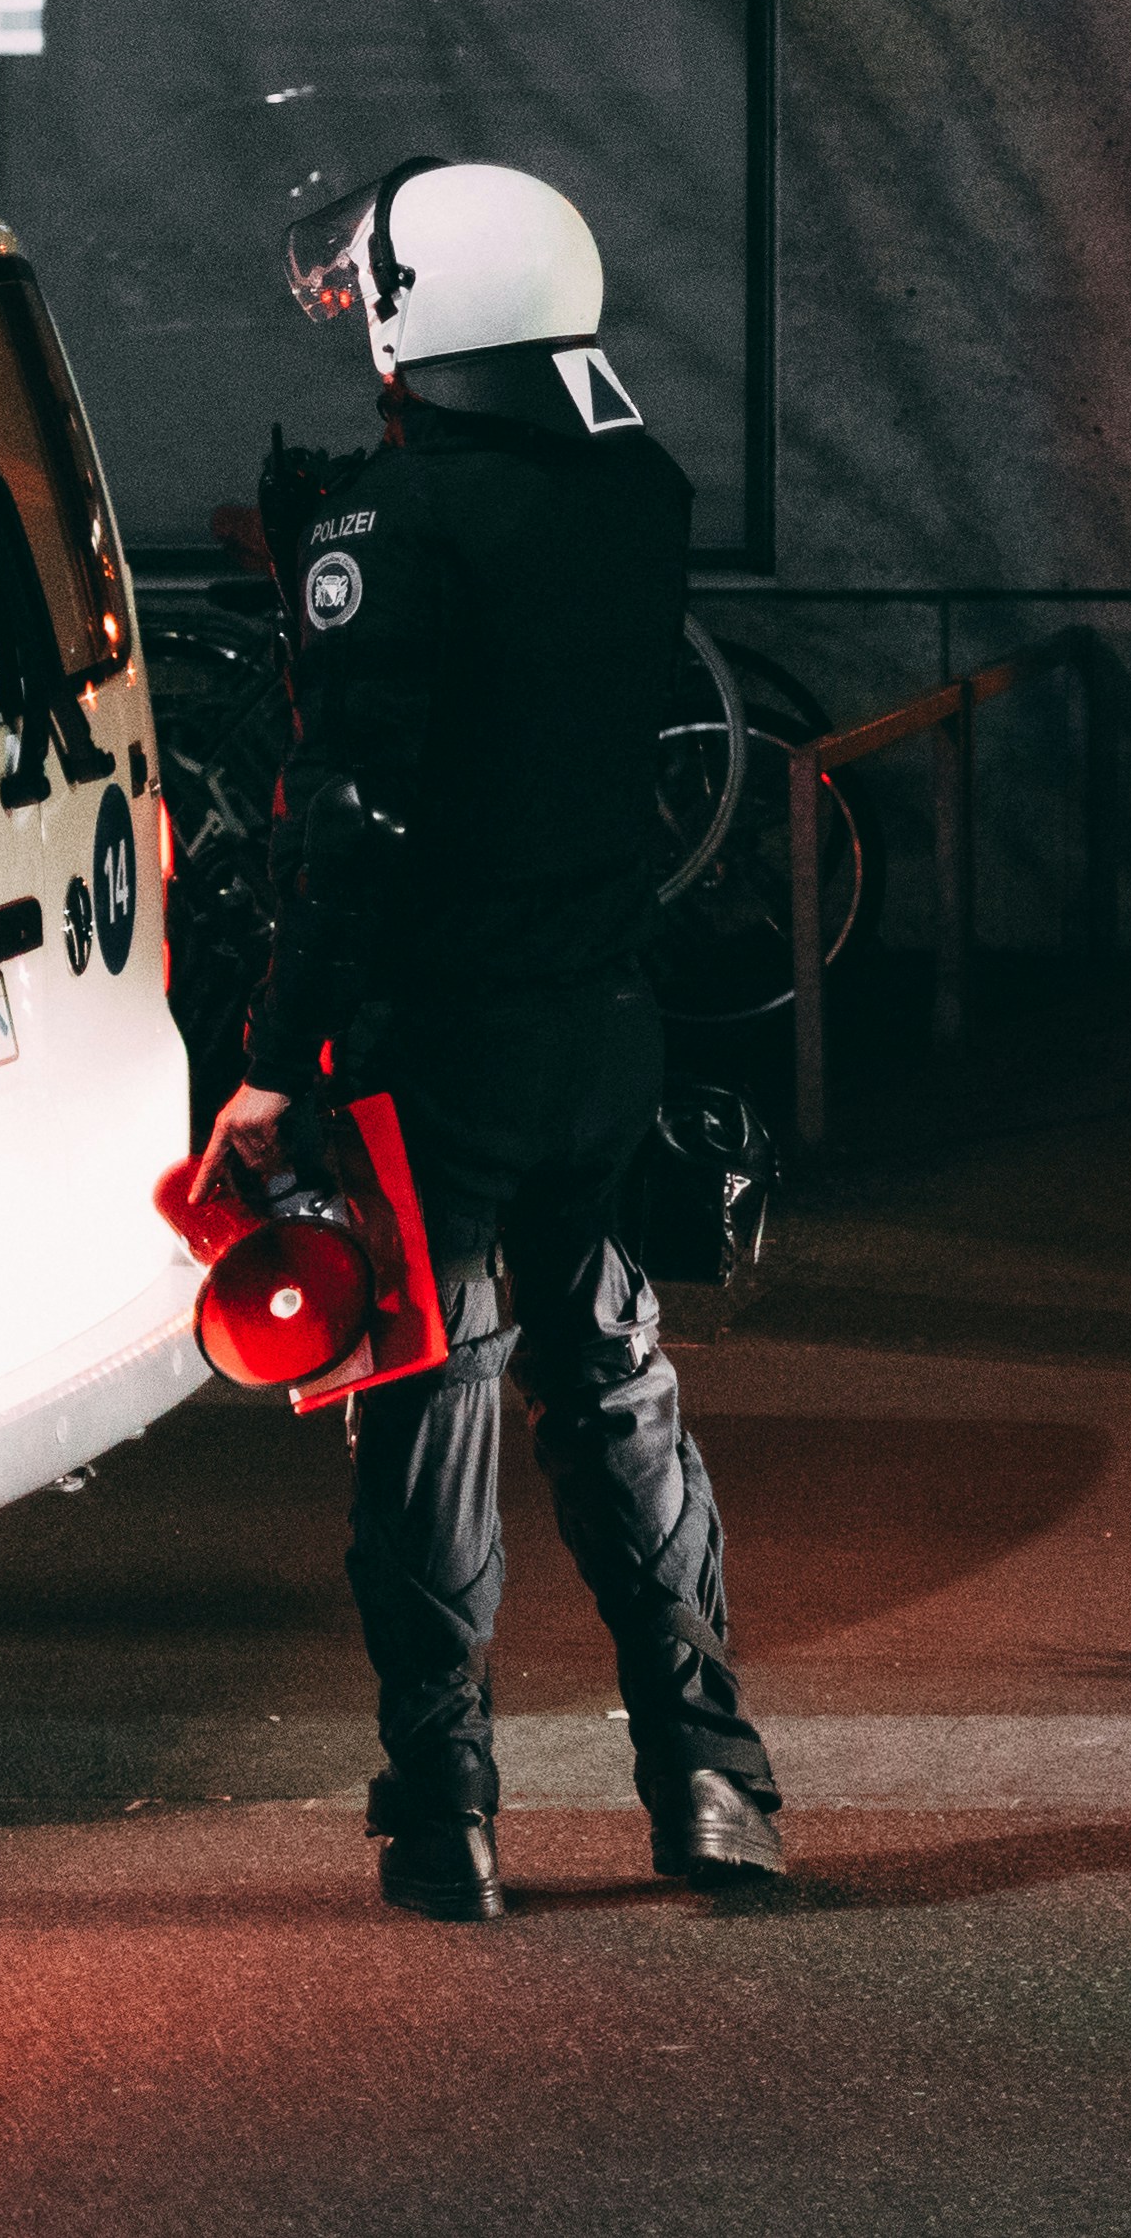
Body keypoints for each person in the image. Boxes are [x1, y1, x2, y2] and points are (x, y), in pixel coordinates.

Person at [226, 157, 788, 1923]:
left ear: (421, 312)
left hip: (443, 1054)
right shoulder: (640, 497)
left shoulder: (388, 534)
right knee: (620, 1395)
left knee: (432, 1404)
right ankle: (710, 1781)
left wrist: (273, 1055)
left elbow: (357, 828)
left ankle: (443, 1811)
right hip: (602, 1026)